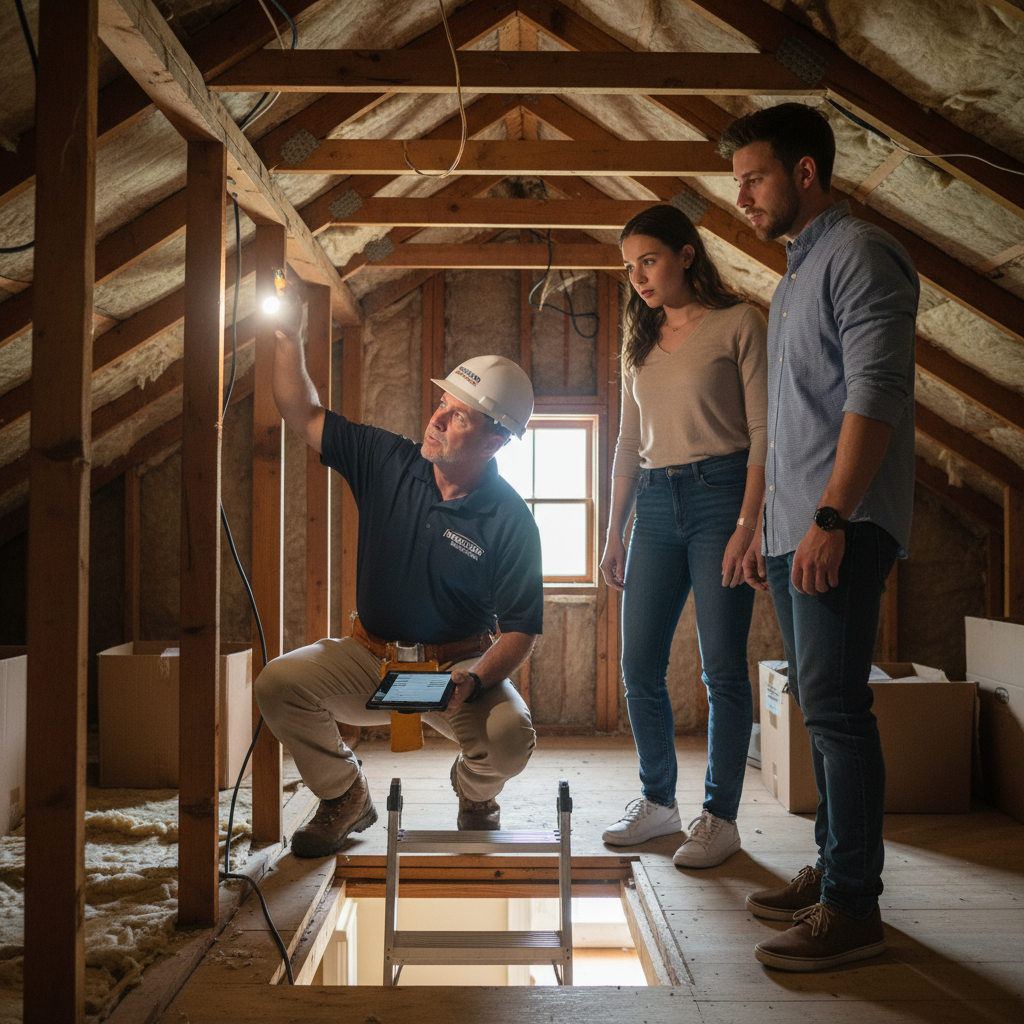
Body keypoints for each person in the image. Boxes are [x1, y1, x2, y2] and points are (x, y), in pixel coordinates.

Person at [717, 102, 919, 971]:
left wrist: (830, 519)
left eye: (754, 178)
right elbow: (796, 423)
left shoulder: (861, 255)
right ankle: (837, 869)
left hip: (844, 524)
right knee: (820, 705)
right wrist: (773, 532)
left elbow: (876, 392)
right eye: (738, 183)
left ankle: (853, 908)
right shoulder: (797, 274)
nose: (743, 197)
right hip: (798, 531)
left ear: (806, 173)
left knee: (837, 711)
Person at [255, 282, 543, 857]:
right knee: (278, 686)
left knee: (511, 739)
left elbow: (519, 631)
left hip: (454, 668)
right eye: (442, 403)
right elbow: (302, 411)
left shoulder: (510, 520)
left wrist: (476, 679)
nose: (437, 419)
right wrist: (287, 338)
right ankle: (344, 796)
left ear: (496, 439)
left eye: (459, 416)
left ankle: (475, 794)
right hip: (369, 657)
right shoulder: (389, 461)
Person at [599, 204, 768, 869]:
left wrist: (748, 525)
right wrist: (614, 531)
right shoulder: (637, 342)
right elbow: (624, 442)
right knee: (637, 662)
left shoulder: (738, 324)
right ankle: (658, 803)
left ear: (686, 254)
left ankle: (720, 818)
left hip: (722, 495)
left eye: (648, 259)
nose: (637, 277)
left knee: (721, 667)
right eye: (628, 266)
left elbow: (764, 437)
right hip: (654, 504)